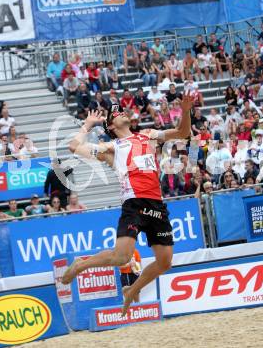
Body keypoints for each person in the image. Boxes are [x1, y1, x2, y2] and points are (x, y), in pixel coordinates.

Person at [62, 91, 194, 316]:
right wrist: (87, 125)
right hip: (134, 203)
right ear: (111, 126)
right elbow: (73, 147)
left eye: (121, 110)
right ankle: (80, 265)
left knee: (165, 263)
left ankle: (131, 290)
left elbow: (183, 132)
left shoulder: (148, 135)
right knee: (121, 257)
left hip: (156, 205)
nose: (121, 112)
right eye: (116, 113)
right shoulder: (112, 147)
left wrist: (186, 110)